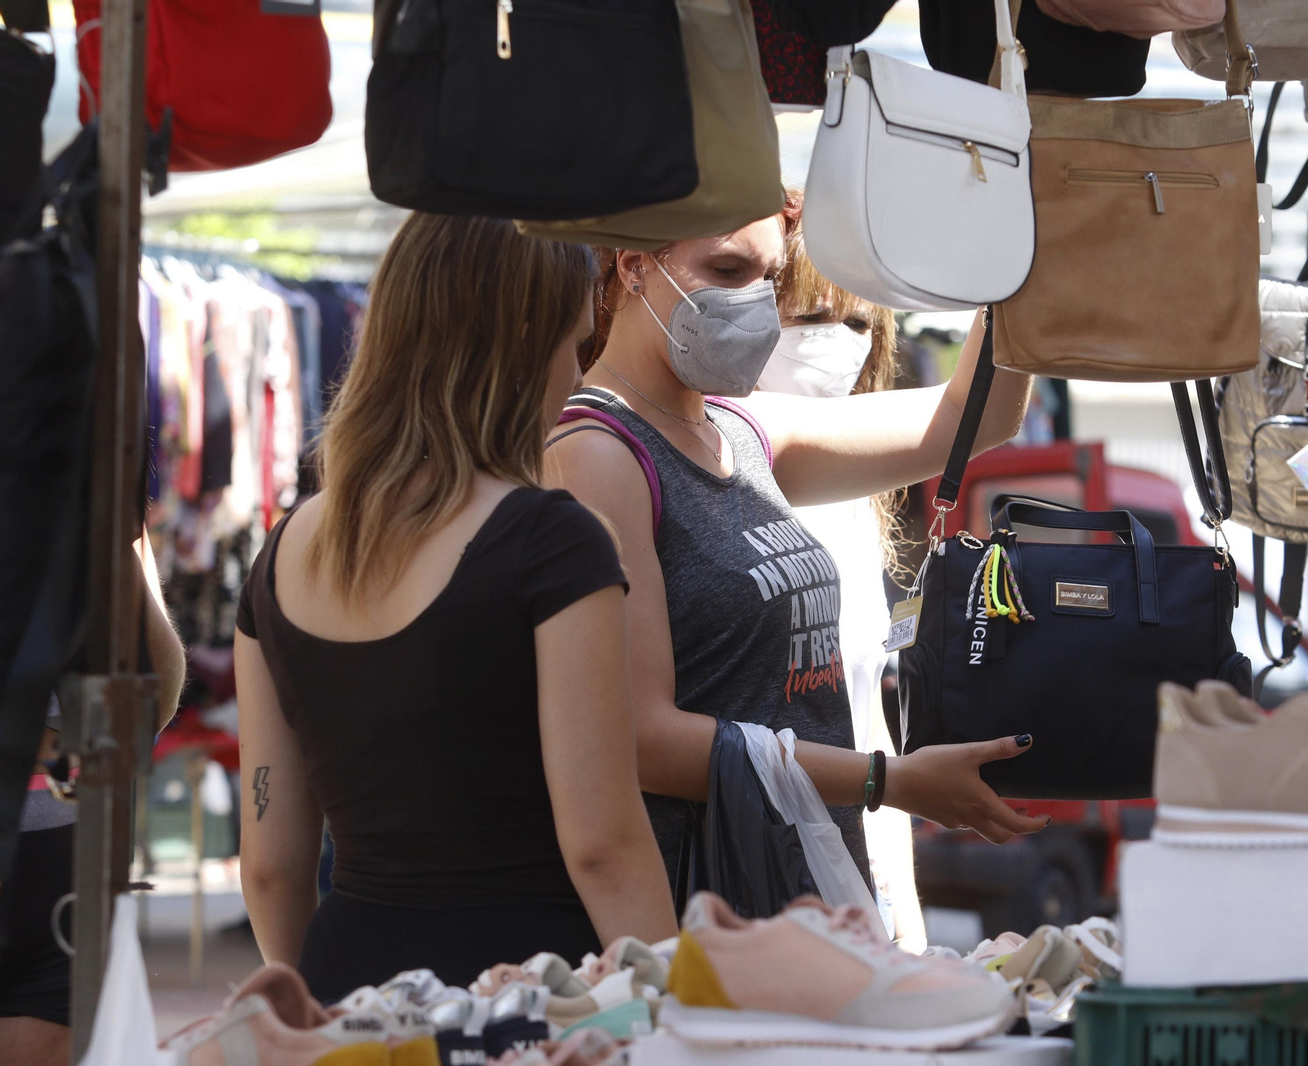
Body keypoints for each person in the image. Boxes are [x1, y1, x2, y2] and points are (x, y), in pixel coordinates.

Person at [548, 211, 1050, 908]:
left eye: (769, 276)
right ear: (633, 265)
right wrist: (886, 780)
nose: (753, 299)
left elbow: (979, 415)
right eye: (728, 270)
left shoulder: (743, 429)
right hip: (708, 910)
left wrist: (1020, 240)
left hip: (807, 888)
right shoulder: (597, 454)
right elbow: (640, 739)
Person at [235, 214, 676, 1004]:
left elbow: (270, 863)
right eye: (573, 347)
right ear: (517, 334)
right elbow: (604, 845)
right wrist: (680, 1008)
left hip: (348, 989)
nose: (576, 378)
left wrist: (328, 1003)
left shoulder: (285, 550)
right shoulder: (554, 540)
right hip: (527, 997)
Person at [753, 193, 924, 947]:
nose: (838, 343)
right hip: (760, 856)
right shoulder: (705, 473)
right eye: (811, 318)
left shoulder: (860, 501)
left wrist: (899, 882)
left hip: (861, 841)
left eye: (858, 323)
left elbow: (866, 704)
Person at [0, 538, 187, 1066]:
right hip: (62, 860)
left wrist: (111, 538)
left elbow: (153, 699)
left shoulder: (94, 486)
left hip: (61, 872)